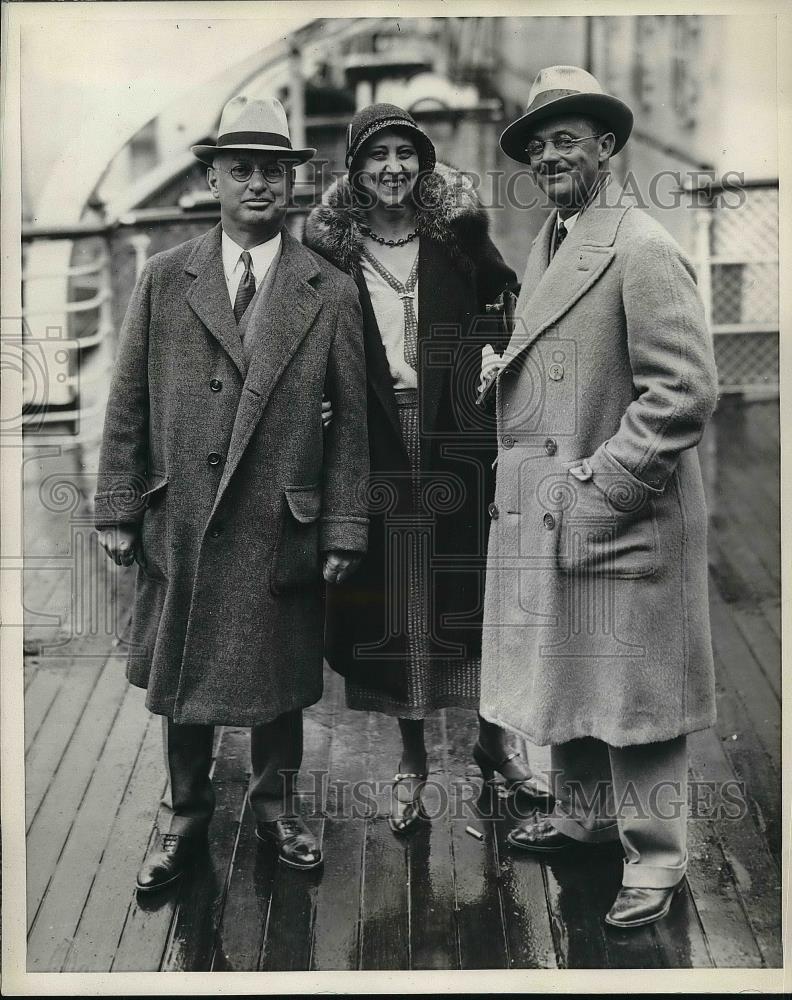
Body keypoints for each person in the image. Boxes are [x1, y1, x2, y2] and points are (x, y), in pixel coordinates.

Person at [95, 95, 369, 889]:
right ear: (210, 178)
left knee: (278, 678)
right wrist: (118, 507)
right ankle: (185, 817)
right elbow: (128, 405)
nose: (258, 184)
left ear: (291, 182)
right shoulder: (163, 278)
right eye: (240, 169)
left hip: (282, 520)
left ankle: (279, 808)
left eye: (273, 171)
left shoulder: (329, 288)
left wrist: (344, 528)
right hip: (182, 516)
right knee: (183, 677)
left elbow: (350, 424)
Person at [480, 66, 719, 928]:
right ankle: (585, 820)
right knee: (576, 667)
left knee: (637, 689)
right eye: (537, 144)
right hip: (564, 504)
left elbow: (683, 391)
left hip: (617, 506)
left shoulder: (642, 246)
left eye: (566, 140)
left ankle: (657, 856)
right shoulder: (557, 236)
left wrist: (600, 485)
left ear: (607, 147)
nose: (548, 155)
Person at [304, 103, 550, 835]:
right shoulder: (330, 252)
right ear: (354, 166)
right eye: (377, 155)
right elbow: (307, 341)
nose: (392, 169)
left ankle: (494, 743)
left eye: (405, 154)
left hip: (457, 441)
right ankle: (412, 761)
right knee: (396, 604)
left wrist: (489, 358)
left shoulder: (459, 235)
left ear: (424, 163)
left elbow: (505, 308)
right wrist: (312, 407)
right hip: (371, 442)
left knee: (470, 591)